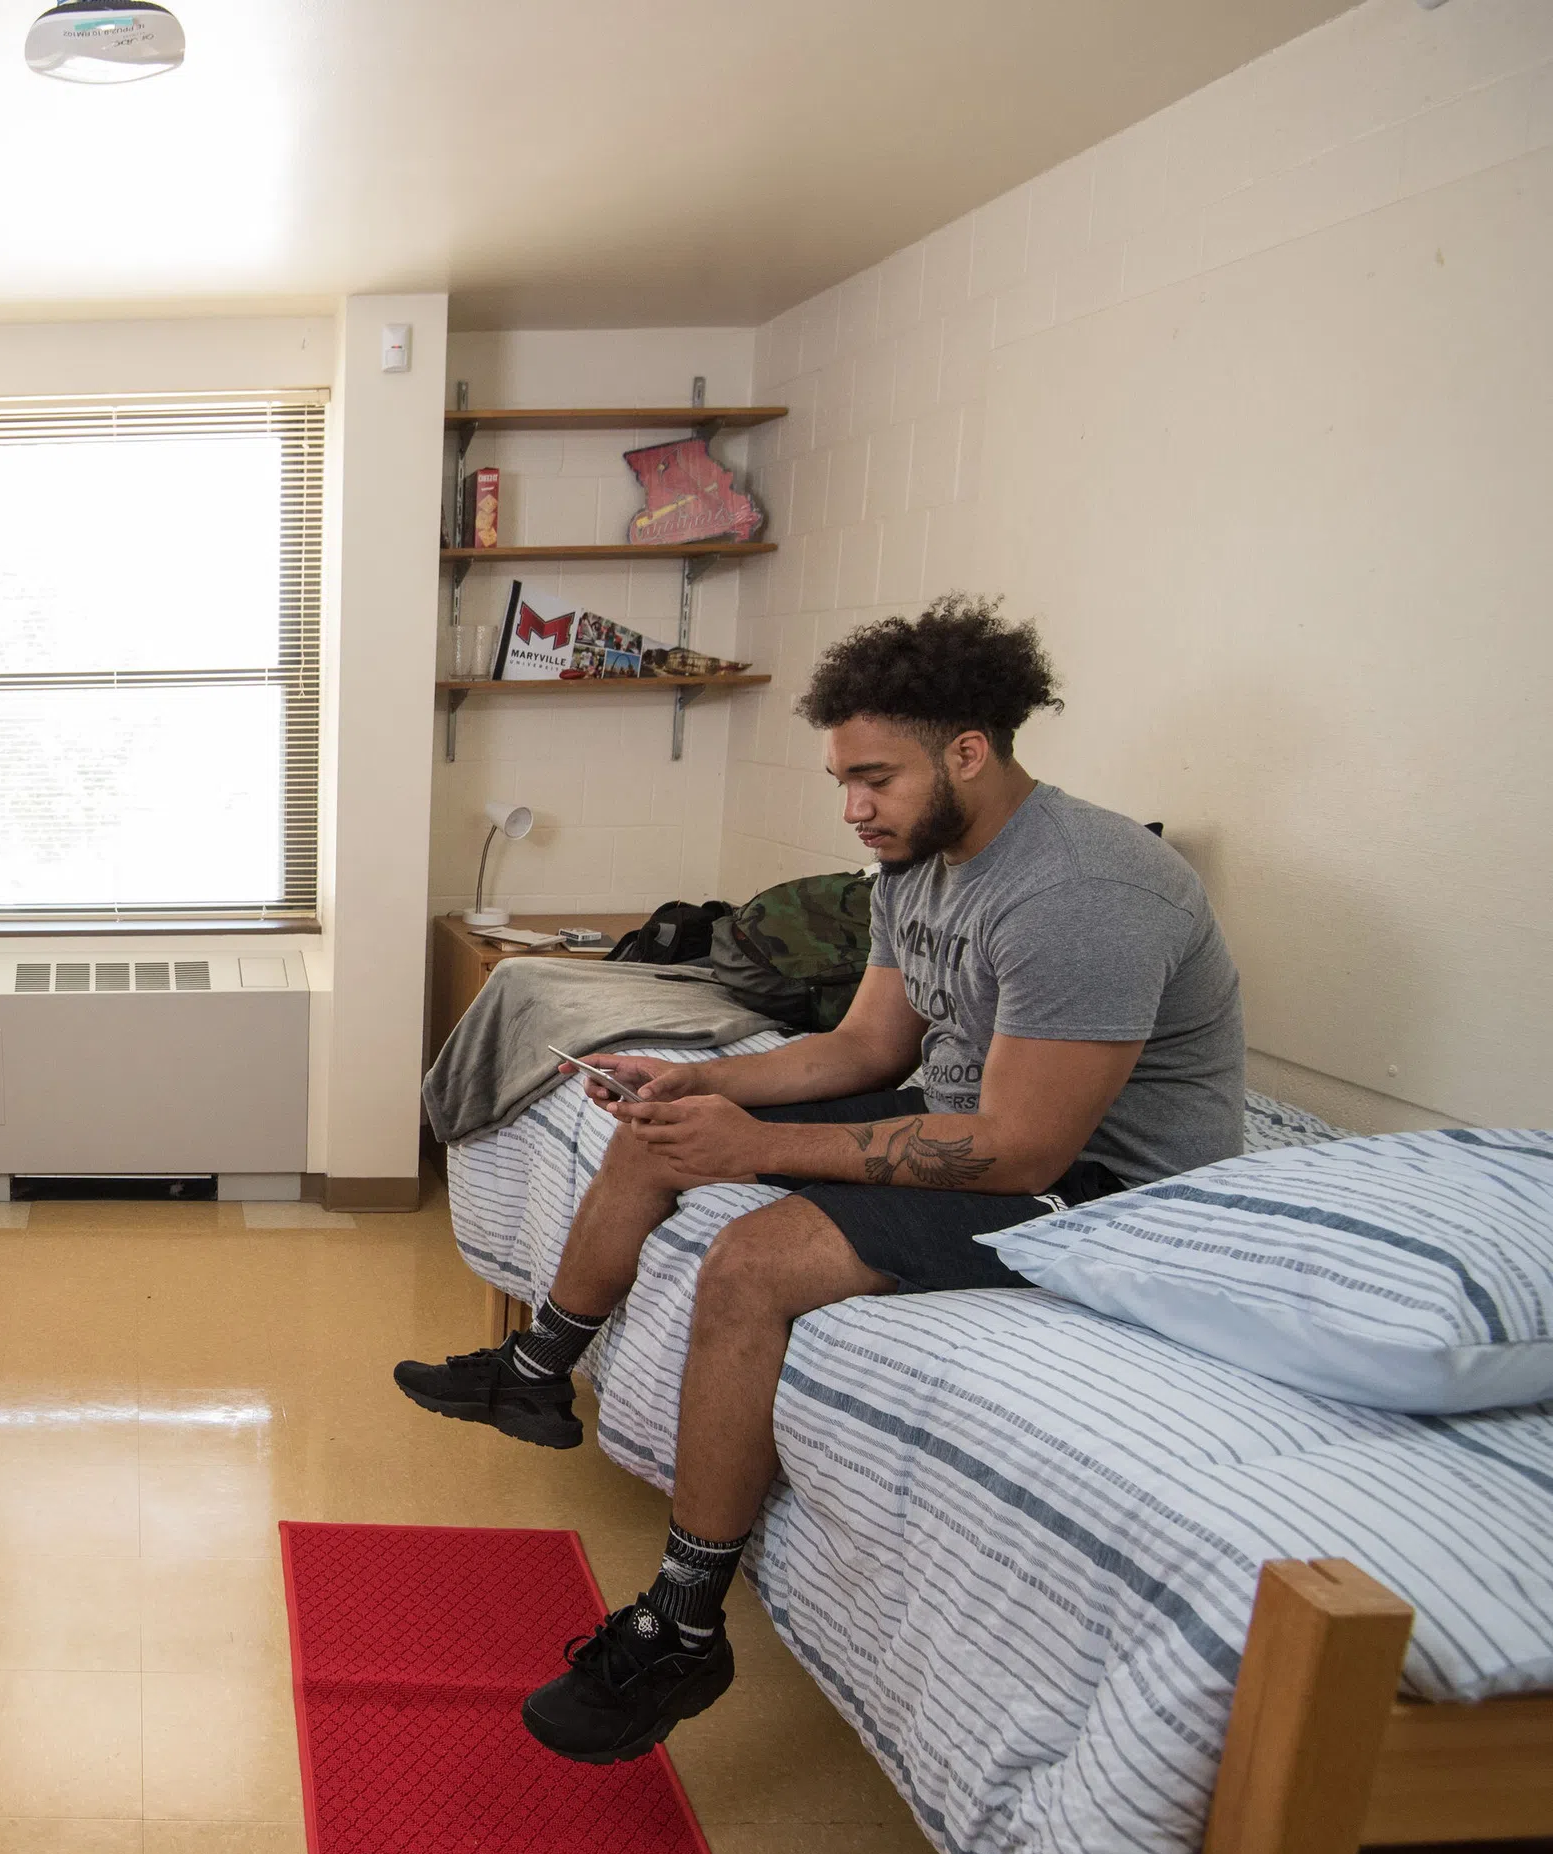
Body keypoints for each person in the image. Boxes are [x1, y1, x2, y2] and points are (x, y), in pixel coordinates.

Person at [393, 595, 1244, 1764]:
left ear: (969, 749)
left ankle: (685, 1622)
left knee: (754, 1261)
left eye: (875, 778)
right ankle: (537, 1368)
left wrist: (760, 1150)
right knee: (670, 1116)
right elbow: (865, 1050)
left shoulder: (1085, 892)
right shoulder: (921, 860)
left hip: (1104, 1190)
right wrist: (702, 1086)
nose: (854, 808)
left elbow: (1029, 1148)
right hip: (977, 1118)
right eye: (842, 778)